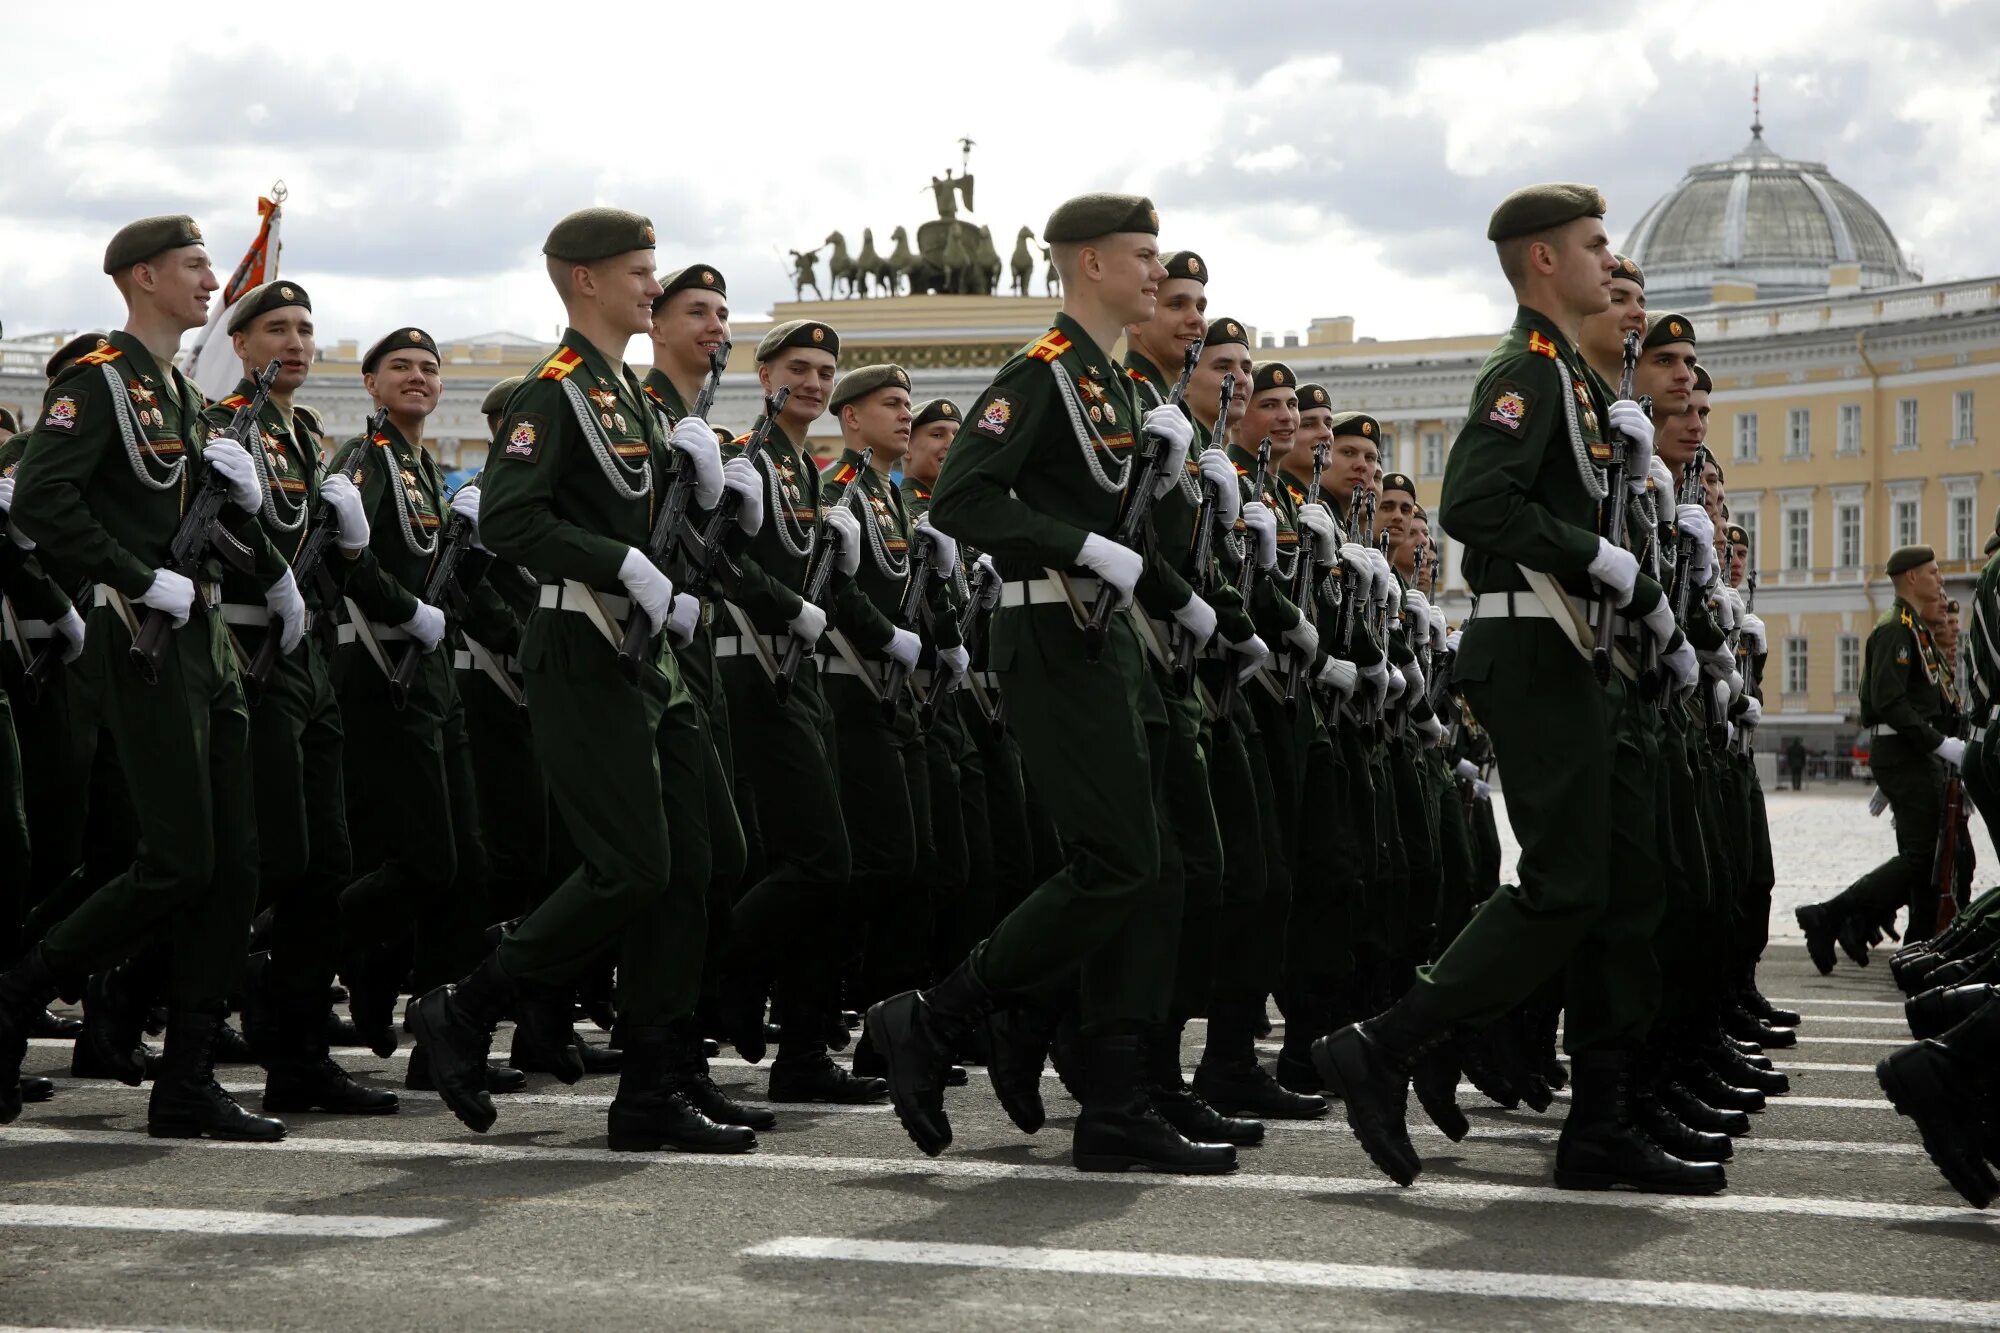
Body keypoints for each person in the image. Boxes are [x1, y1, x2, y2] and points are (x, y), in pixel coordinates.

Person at [1311, 183, 1722, 1194]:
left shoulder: (1575, 390)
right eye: (1591, 245)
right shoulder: (1523, 373)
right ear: (1543, 261)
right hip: (1531, 651)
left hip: (1575, 651)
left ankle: (1601, 1120)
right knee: (1566, 883)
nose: (1606, 259)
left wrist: (1643, 601)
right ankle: (1388, 1040)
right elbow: (1478, 507)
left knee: (1623, 890)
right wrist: (1594, 554)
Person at [868, 192, 1238, 1175]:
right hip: (1044, 627)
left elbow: (1119, 541)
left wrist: (1181, 598)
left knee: (1146, 867)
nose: (1159, 274)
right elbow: (960, 497)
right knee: (1115, 859)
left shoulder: (1116, 389)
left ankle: (1119, 1093)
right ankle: (940, 1014)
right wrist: (1080, 545)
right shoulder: (1038, 377)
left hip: (1106, 637)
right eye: (1142, 256)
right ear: (1087, 266)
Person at [409, 207, 754, 1153]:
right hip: (583, 642)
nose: (655, 284)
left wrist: (698, 522)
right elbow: (512, 521)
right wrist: (620, 563)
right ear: (585, 281)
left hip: (651, 656)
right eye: (640, 272)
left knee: (696, 863)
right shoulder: (552, 392)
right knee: (631, 866)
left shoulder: (636, 399)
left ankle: (659, 1074)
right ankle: (470, 1004)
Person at [0, 214, 289, 1139]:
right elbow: (43, 498)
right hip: (144, 635)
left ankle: (189, 1077)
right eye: (195, 265)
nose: (212, 280)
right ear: (141, 277)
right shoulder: (102, 381)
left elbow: (200, 522)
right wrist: (130, 574)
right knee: (175, 860)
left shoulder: (182, 393)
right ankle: (17, 988)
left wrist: (260, 539)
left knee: (234, 867)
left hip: (208, 642)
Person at [198, 281, 396, 1116]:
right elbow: (206, 532)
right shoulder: (218, 427)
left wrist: (351, 544)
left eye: (307, 328)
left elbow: (317, 552)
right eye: (276, 327)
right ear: (240, 345)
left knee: (325, 867)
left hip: (305, 656)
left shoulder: (307, 434)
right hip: (248, 649)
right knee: (274, 858)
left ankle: (302, 1054)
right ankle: (151, 988)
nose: (296, 341)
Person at [1797, 546, 1958, 970]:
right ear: (1910, 577)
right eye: (1933, 572)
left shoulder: (1914, 630)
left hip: (1913, 753)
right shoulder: (1895, 629)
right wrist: (1937, 744)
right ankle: (1833, 914)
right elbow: (1889, 700)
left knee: (1927, 858)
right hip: (1904, 753)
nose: (1940, 579)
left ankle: (1862, 925)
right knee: (1923, 858)